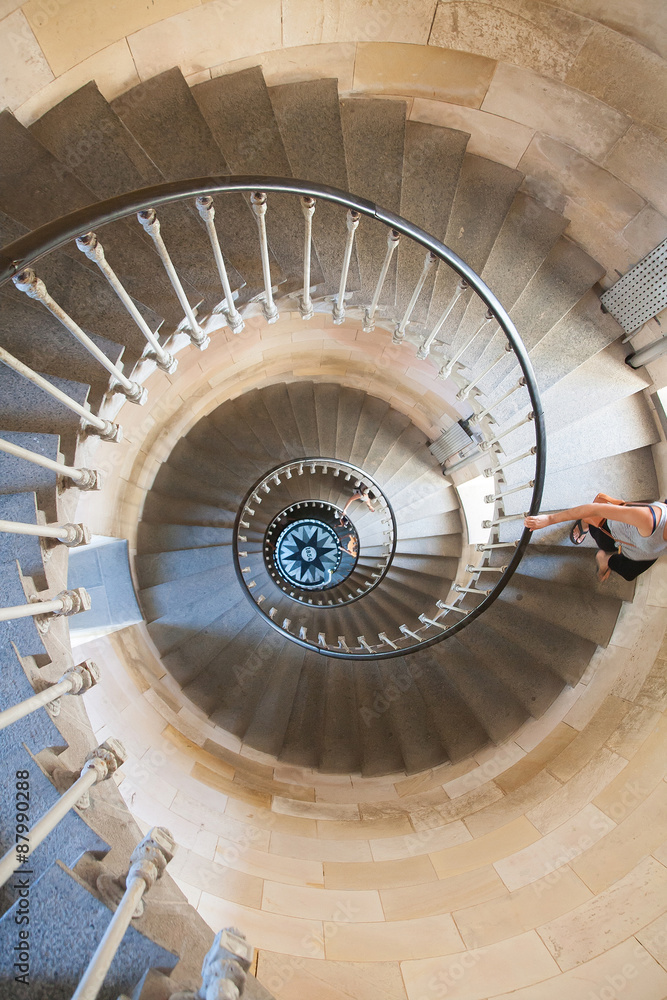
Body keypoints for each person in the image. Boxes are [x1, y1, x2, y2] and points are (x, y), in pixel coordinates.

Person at [524, 498, 667, 582]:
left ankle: (606, 560)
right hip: (612, 532)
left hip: (644, 549)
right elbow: (596, 510)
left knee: (629, 574)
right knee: (603, 541)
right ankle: (587, 522)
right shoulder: (649, 519)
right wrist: (549, 519)